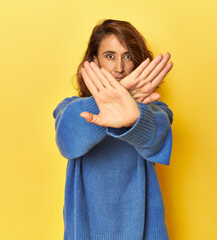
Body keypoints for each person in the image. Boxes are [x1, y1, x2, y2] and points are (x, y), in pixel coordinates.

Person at [53, 19, 173, 240]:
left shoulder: (156, 111)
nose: (119, 67)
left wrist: (135, 115)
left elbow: (159, 135)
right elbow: (67, 139)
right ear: (94, 61)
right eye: (110, 56)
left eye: (127, 56)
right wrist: (105, 104)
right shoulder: (69, 108)